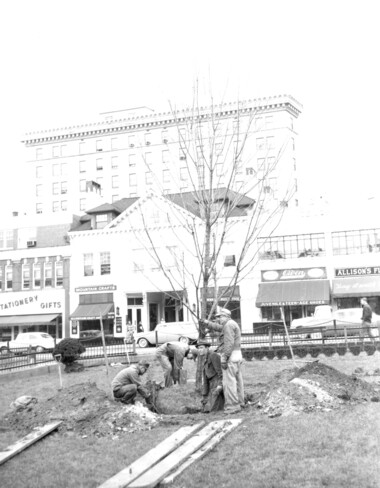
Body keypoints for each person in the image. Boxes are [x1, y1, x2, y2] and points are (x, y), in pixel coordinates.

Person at [200, 308, 245, 414]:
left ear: (225, 316)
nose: (218, 319)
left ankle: (233, 407)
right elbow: (220, 328)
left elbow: (228, 343)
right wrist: (208, 323)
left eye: (219, 317)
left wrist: (224, 358)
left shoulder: (228, 325)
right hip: (237, 356)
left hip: (230, 357)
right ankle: (240, 402)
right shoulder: (231, 324)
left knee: (229, 382)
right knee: (238, 381)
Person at [196, 339, 224, 413]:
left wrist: (220, 385)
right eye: (198, 348)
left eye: (201, 347)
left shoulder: (213, 355)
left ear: (207, 348)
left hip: (217, 383)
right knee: (208, 408)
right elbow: (206, 378)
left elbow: (220, 372)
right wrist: (204, 394)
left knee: (214, 409)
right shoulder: (205, 358)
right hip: (212, 385)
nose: (199, 350)